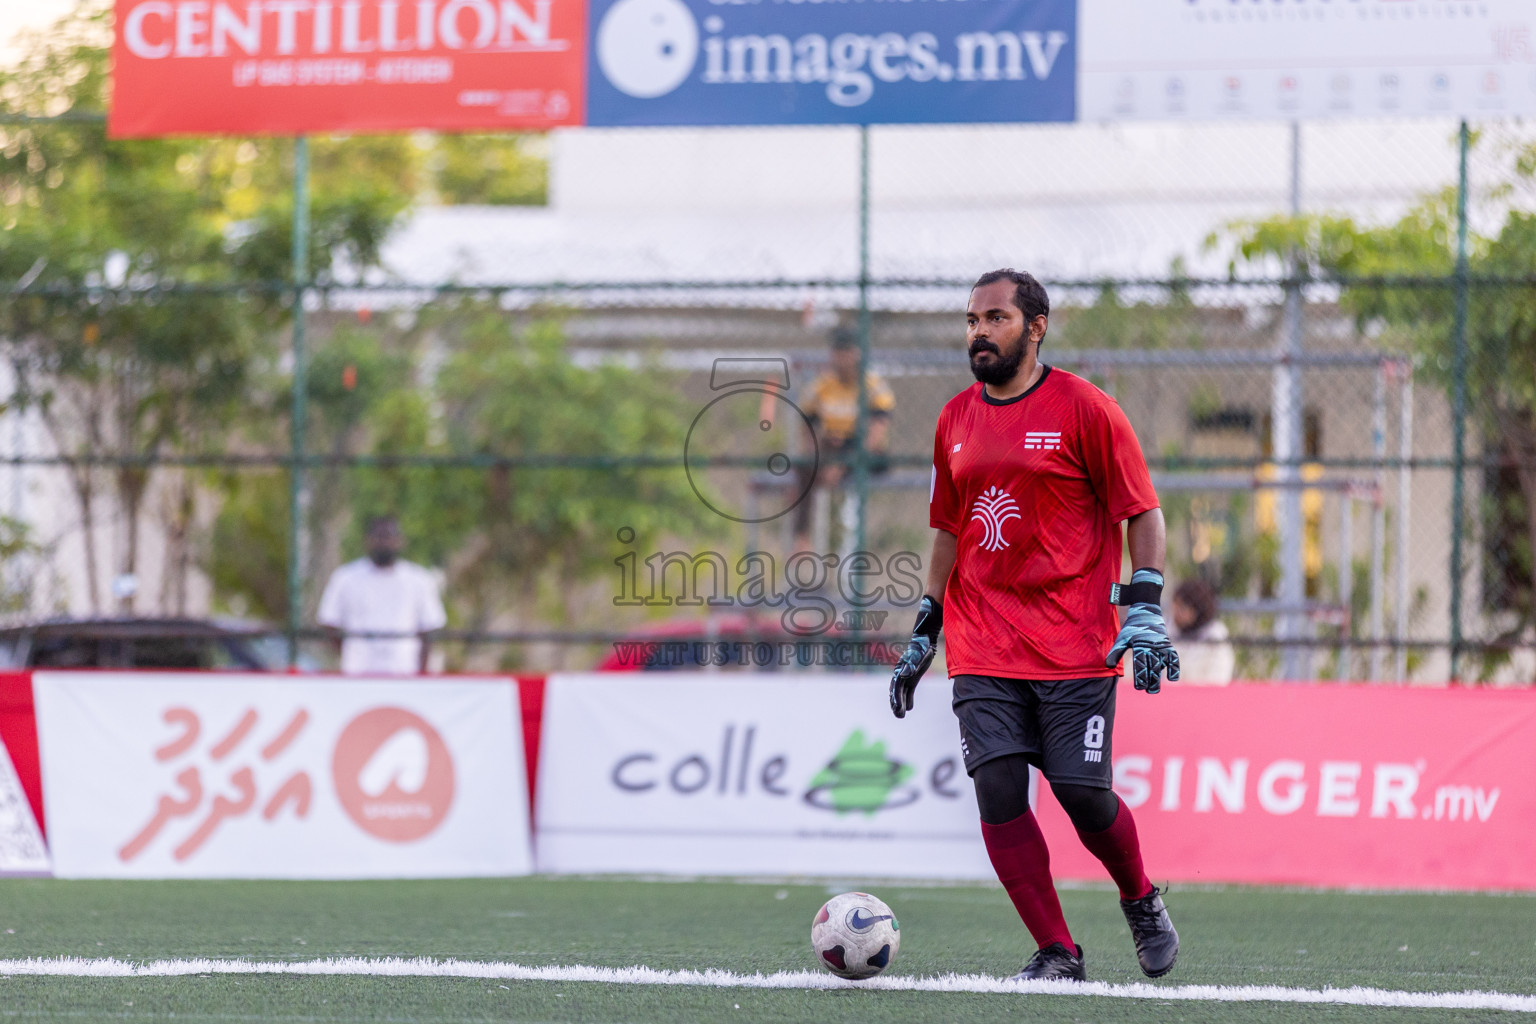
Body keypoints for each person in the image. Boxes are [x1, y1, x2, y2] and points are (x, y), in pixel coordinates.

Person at [889, 269, 1181, 983]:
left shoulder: (1088, 409)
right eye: (971, 320)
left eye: (995, 317)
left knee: (1081, 794)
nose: (979, 332)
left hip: (1073, 641)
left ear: (1037, 325)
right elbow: (949, 530)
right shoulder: (953, 420)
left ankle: (1140, 899)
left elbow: (1142, 513)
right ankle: (1058, 950)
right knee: (996, 789)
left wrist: (1143, 606)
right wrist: (926, 627)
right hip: (982, 640)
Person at [791, 327, 896, 553]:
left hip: (861, 449)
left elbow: (875, 433)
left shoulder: (872, 386)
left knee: (867, 461)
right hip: (832, 447)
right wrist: (817, 458)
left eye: (847, 352)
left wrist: (843, 465)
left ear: (858, 353)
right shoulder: (822, 386)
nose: (842, 358)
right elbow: (807, 425)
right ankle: (801, 538)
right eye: (838, 352)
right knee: (803, 469)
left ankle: (852, 545)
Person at [317, 515, 447, 675]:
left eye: (388, 537)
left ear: (400, 541)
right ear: (367, 540)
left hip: (404, 671)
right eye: (378, 537)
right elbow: (329, 623)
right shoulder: (345, 577)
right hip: (357, 672)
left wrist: (421, 673)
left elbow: (428, 629)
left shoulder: (419, 579)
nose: (383, 543)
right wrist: (351, 651)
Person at [1170, 578, 1235, 685]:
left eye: (1182, 608)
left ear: (1197, 611)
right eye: (1175, 606)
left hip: (1203, 697)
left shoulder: (1216, 636)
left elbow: (1219, 678)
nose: (1176, 612)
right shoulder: (1168, 630)